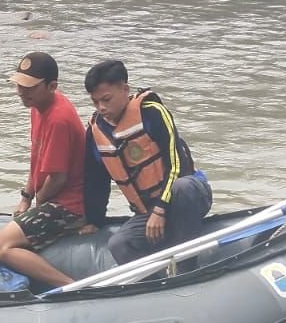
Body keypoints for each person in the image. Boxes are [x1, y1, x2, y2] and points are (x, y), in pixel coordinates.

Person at [82, 59, 213, 265]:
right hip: (147, 211)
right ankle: (157, 282)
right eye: (95, 102)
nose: (101, 107)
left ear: (124, 89)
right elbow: (96, 181)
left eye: (106, 99)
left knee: (183, 186)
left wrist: (161, 209)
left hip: (184, 195)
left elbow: (176, 164)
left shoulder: (152, 112)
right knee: (119, 243)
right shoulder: (95, 132)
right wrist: (94, 221)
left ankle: (186, 268)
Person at [0, 52, 89, 288]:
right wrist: (26, 197)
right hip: (52, 194)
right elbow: (37, 159)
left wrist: (39, 201)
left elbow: (57, 178)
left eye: (29, 87)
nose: (22, 92)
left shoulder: (58, 119)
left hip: (69, 205)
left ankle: (71, 286)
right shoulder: (37, 107)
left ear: (52, 86)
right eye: (19, 85)